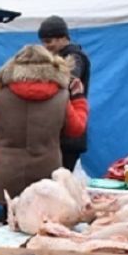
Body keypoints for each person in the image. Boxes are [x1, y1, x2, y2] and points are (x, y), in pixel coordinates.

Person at [0, 44, 89, 203]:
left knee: (9, 224)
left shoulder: (0, 94)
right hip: (47, 175)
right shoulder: (61, 95)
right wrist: (79, 99)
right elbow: (76, 129)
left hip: (8, 173)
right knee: (43, 224)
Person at [38, 15, 91, 171]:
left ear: (63, 37)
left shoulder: (74, 58)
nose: (45, 46)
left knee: (58, 181)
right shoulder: (58, 57)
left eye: (49, 41)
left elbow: (67, 81)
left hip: (68, 134)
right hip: (59, 132)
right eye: (43, 42)